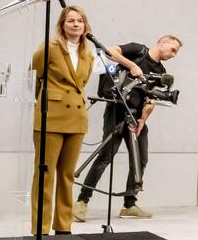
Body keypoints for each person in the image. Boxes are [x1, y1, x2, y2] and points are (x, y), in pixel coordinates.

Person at [73, 33, 181, 222]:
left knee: (140, 160)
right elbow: (109, 52)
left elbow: (151, 100)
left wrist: (143, 120)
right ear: (162, 42)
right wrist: (132, 65)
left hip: (137, 118)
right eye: (173, 49)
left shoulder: (160, 71)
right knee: (105, 157)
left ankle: (129, 205)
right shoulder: (138, 50)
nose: (174, 55)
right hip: (117, 111)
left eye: (176, 52)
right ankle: (82, 202)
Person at [32, 5, 94, 235]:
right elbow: (34, 75)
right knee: (45, 173)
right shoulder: (49, 48)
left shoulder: (88, 53)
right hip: (51, 117)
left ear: (85, 25)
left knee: (67, 175)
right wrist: (43, 101)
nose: (76, 24)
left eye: (80, 20)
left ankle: (63, 226)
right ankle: (40, 227)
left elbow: (83, 83)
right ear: (62, 25)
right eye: (70, 21)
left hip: (77, 118)